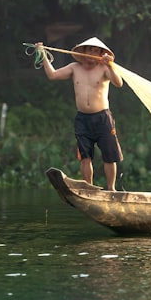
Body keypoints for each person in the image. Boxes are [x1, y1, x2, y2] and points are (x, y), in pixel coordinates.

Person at [36, 36, 124, 190]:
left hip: (102, 118)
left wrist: (110, 65)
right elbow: (52, 75)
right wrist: (42, 54)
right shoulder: (74, 67)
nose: (92, 53)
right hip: (83, 119)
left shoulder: (104, 68)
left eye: (96, 51)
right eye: (90, 50)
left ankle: (111, 188)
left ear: (100, 54)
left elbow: (118, 83)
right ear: (84, 51)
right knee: (85, 156)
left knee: (109, 156)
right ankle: (88, 188)